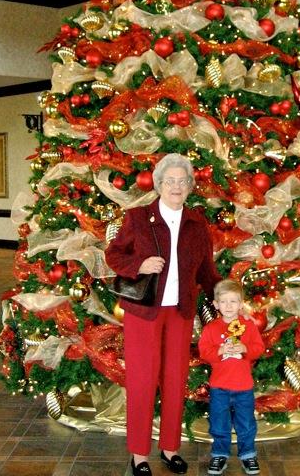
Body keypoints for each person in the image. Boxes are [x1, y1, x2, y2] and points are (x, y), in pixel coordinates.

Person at [105, 153, 221, 476]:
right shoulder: (139, 218)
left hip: (180, 312)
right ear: (158, 184)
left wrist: (223, 300)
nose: (175, 186)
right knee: (142, 381)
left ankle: (170, 449)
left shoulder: (198, 225)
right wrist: (137, 266)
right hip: (144, 313)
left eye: (182, 181)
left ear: (190, 186)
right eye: (169, 181)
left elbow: (208, 273)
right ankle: (139, 455)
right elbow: (113, 254)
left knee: (175, 380)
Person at [198, 279, 265, 476]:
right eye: (224, 302)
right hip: (219, 387)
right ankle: (219, 453)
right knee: (219, 422)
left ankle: (248, 454)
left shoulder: (249, 326)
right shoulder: (210, 329)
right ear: (216, 305)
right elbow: (204, 352)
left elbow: (259, 349)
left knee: (246, 423)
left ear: (241, 303)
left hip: (243, 386)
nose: (228, 306)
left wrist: (245, 348)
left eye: (233, 301)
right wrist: (219, 350)